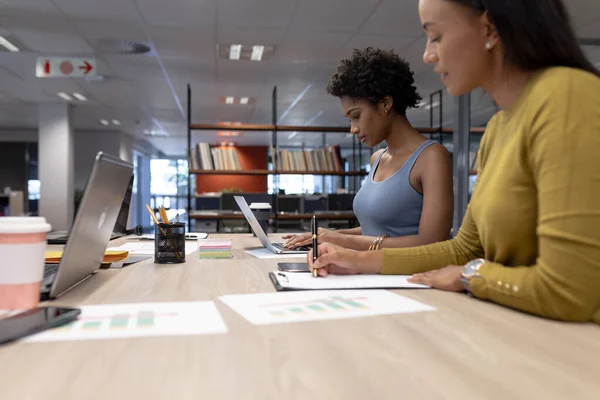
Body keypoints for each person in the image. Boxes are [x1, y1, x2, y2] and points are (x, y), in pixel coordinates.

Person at [307, 0, 600, 324]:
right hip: (519, 326)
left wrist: (470, 276)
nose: (428, 54)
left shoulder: (567, 97)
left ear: (488, 28)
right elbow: (462, 248)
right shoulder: (498, 128)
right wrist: (355, 261)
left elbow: (567, 290)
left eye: (435, 37)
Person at [284, 47, 454, 251]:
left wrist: (342, 240)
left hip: (405, 279)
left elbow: (433, 244)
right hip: (369, 271)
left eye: (356, 116)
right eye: (349, 119)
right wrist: (322, 235)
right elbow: (374, 232)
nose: (353, 129)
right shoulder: (377, 158)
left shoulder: (432, 157)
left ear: (385, 103)